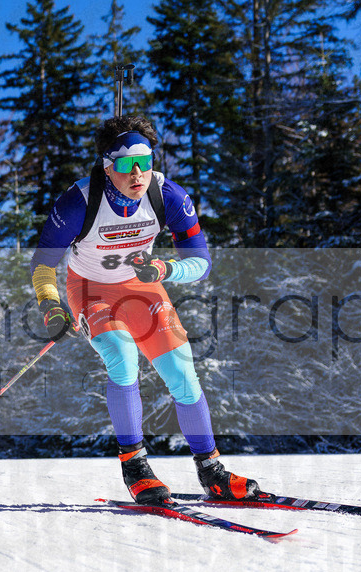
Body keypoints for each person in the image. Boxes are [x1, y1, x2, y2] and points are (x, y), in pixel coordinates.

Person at [30, 114, 261, 505]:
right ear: (107, 166)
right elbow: (42, 264)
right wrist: (50, 304)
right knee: (121, 355)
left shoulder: (167, 195)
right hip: (89, 290)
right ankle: (135, 467)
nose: (137, 172)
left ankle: (212, 471)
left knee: (181, 370)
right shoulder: (78, 201)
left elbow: (201, 263)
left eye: (145, 161)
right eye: (124, 164)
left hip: (143, 287)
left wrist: (166, 268)